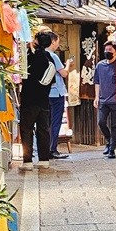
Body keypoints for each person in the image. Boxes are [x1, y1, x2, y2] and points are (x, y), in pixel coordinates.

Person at [18, 30, 55, 171]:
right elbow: (51, 81)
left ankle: (27, 161)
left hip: (29, 99)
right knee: (43, 130)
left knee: (27, 129)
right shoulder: (50, 59)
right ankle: (44, 159)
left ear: (36, 41)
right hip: (44, 101)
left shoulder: (29, 57)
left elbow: (22, 74)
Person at [45, 31, 72, 160]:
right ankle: (52, 149)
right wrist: (67, 64)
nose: (58, 44)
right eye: (57, 41)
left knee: (46, 122)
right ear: (53, 41)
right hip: (56, 93)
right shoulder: (53, 56)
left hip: (45, 93)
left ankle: (45, 149)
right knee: (55, 122)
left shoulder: (40, 55)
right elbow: (64, 74)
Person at [94, 40, 116, 159]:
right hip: (103, 100)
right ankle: (109, 140)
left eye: (110, 50)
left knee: (115, 125)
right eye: (106, 50)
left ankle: (112, 149)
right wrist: (96, 97)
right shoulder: (100, 65)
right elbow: (97, 82)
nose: (107, 52)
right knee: (101, 122)